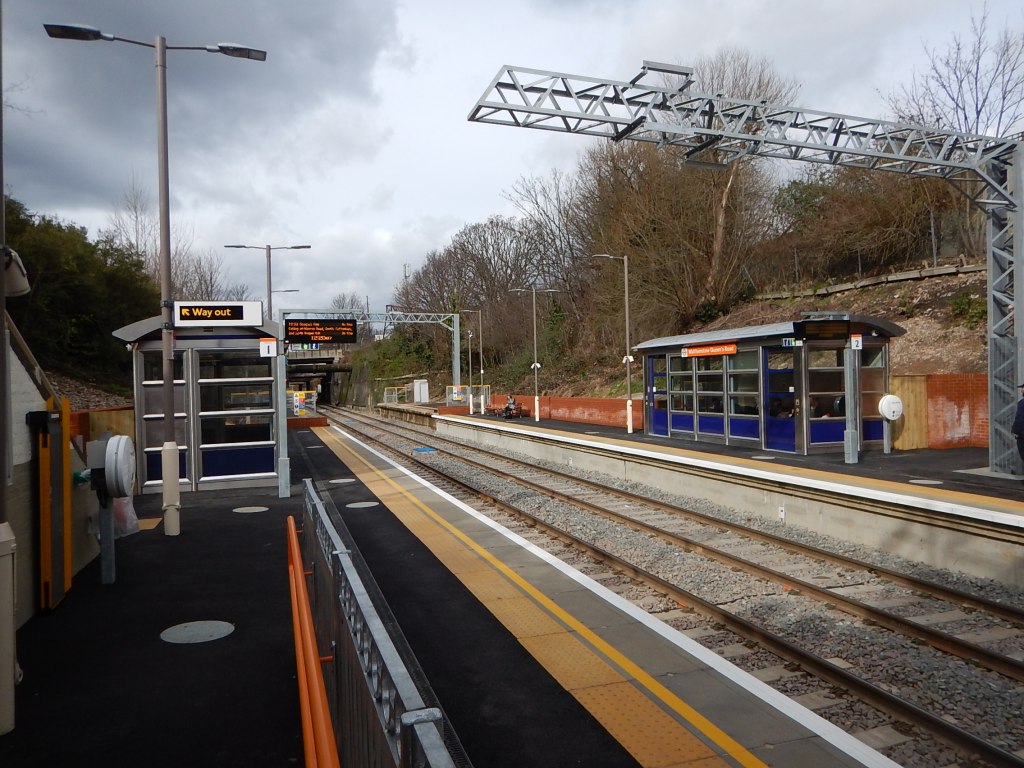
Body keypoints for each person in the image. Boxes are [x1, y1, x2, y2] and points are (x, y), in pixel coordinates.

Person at [1012, 383, 1024, 466]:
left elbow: (1019, 418)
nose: (1021, 390)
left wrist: (1015, 430)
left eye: (1022, 388)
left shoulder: (1022, 403)